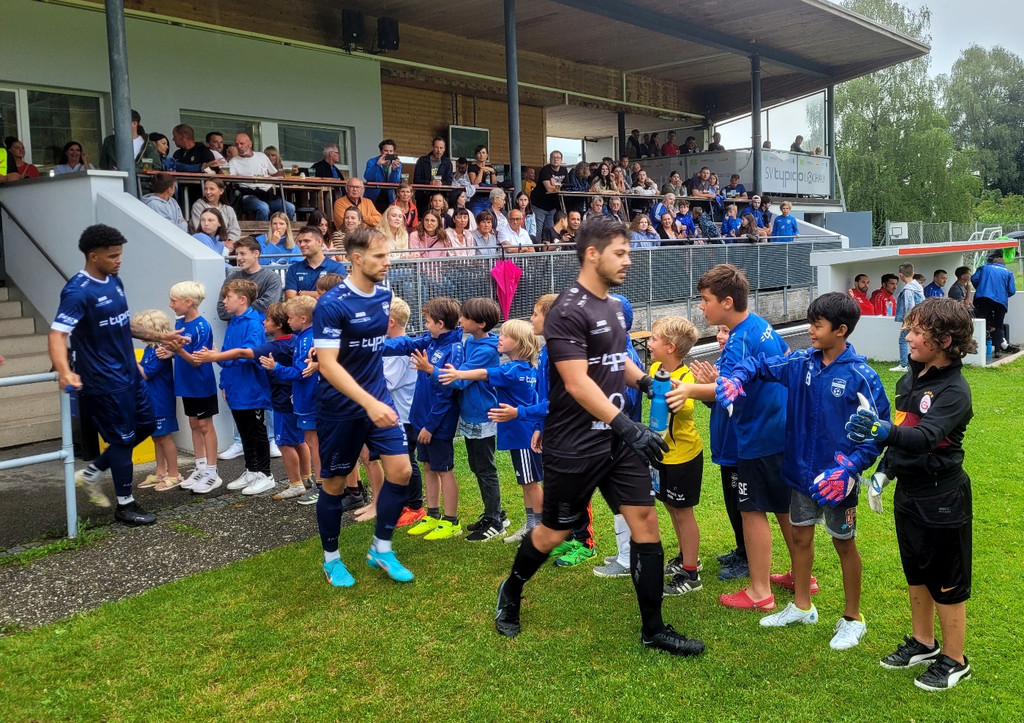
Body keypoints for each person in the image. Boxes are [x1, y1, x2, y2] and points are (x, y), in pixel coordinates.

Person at [493, 215, 703, 657]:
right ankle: (511, 589)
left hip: (615, 441)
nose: (628, 260)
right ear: (592, 254)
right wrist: (629, 425)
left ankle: (653, 629)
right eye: (620, 253)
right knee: (553, 531)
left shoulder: (611, 304)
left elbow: (614, 360)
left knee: (644, 522)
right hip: (575, 444)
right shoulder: (567, 311)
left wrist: (644, 383)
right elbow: (576, 382)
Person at [717, 292, 889, 649]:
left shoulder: (861, 376)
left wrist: (851, 470)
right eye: (810, 322)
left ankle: (852, 618)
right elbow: (761, 365)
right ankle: (801, 605)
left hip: (836, 483)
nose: (810, 330)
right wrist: (736, 377)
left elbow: (878, 432)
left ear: (841, 330)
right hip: (799, 476)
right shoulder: (800, 363)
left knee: (844, 544)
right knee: (799, 537)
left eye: (817, 325)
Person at [846, 298, 977, 691]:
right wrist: (884, 471)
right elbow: (903, 436)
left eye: (918, 331)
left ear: (944, 340)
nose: (908, 335)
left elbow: (923, 437)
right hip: (910, 493)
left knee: (947, 580)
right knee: (916, 571)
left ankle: (955, 659)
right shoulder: (910, 379)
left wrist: (880, 430)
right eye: (910, 328)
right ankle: (923, 642)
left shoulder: (955, 390)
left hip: (944, 496)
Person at [667, 263, 792, 611]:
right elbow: (782, 365)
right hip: (777, 430)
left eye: (704, 300)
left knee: (751, 511)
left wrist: (689, 388)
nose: (701, 307)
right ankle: (799, 574)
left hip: (757, 436)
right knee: (783, 509)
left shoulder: (739, 339)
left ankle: (759, 592)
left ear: (725, 302)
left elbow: (726, 391)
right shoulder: (761, 326)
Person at [49, 224, 184, 525]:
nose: (119, 260)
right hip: (104, 380)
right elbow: (57, 335)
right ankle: (125, 505)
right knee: (123, 439)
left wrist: (162, 337)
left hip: (129, 373)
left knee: (147, 425)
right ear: (93, 256)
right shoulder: (76, 292)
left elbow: (124, 324)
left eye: (120, 254)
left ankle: (94, 471)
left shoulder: (114, 281)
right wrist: (64, 371)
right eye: (113, 256)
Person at [312, 225, 417, 586]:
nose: (387, 262)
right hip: (341, 408)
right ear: (356, 259)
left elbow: (372, 348)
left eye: (387, 255)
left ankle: (381, 549)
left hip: (378, 400)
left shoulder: (385, 295)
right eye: (379, 256)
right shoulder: (331, 304)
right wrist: (368, 402)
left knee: (401, 471)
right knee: (335, 484)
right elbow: (328, 364)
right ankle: (331, 560)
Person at [442, 318, 542, 542]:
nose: (500, 337)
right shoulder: (522, 368)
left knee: (531, 484)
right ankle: (531, 525)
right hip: (522, 435)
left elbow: (484, 374)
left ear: (519, 344)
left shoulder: (512, 370)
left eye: (506, 335)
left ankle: (542, 529)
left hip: (523, 436)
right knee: (526, 482)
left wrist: (458, 374)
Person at [382, 297, 465, 540]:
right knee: (428, 466)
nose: (425, 325)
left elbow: (447, 395)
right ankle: (432, 514)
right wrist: (370, 345)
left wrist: (430, 425)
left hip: (438, 424)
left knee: (444, 469)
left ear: (440, 323)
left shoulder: (453, 349)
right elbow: (403, 345)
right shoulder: (430, 340)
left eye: (428, 321)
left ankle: (452, 520)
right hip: (421, 421)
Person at [644, 316, 705, 596]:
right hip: (661, 454)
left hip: (683, 456)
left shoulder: (686, 380)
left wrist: (672, 396)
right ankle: (685, 556)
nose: (649, 343)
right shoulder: (656, 368)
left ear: (670, 346)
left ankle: (691, 574)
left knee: (683, 512)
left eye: (654, 339)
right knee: (670, 506)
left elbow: (686, 408)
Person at [439, 298, 505, 539]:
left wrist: (431, 370)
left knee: (485, 468)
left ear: (481, 323)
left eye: (465, 317)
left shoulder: (487, 350)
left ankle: (495, 520)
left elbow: (460, 379)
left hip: (482, 416)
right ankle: (494, 512)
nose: (460, 320)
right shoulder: (469, 341)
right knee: (477, 466)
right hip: (469, 413)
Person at [213, 280, 276, 495]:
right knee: (244, 431)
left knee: (257, 431)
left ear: (242, 299)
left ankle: (266, 474)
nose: (224, 301)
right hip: (235, 386)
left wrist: (220, 358)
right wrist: (224, 383)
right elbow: (225, 354)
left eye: (228, 297)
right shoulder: (234, 322)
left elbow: (249, 354)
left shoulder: (253, 323)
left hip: (251, 388)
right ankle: (251, 469)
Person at [162, 281, 221, 493]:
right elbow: (180, 349)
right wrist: (170, 351)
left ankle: (212, 473)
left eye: (174, 301)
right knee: (194, 424)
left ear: (189, 302)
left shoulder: (202, 326)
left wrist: (177, 351)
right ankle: (200, 467)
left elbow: (198, 360)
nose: (170, 304)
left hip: (201, 384)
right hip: (186, 384)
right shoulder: (180, 322)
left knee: (206, 426)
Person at [382, 296, 426, 527]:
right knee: (401, 459)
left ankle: (415, 506)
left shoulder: (399, 351)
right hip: (400, 414)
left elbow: (387, 382)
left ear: (391, 321)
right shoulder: (399, 346)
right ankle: (405, 502)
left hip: (405, 416)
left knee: (408, 461)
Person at [134, 309, 180, 491]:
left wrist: (129, 358)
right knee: (156, 436)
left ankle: (174, 473)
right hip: (152, 400)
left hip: (161, 400)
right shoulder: (150, 349)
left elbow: (145, 374)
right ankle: (161, 471)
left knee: (164, 437)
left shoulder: (159, 350)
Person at [216, 236, 283, 324]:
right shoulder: (231, 278)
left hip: (263, 334)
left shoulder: (272, 278)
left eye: (242, 253)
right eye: (237, 254)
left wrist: (235, 308)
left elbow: (268, 305)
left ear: (256, 254)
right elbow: (221, 311)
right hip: (236, 333)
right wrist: (251, 309)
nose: (238, 258)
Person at [228, 133, 295, 220]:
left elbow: (274, 173)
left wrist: (288, 172)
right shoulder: (233, 161)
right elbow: (229, 178)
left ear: (250, 144)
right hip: (248, 195)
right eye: (237, 144)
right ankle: (261, 233)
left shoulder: (262, 156)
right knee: (263, 207)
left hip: (267, 194)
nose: (239, 147)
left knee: (290, 208)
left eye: (242, 143)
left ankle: (280, 231)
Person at [971, 251, 1016, 357]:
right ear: (1003, 265)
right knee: (998, 325)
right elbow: (1012, 290)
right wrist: (1003, 295)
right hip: (1000, 302)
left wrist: (981, 288)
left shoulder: (984, 268)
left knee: (980, 322)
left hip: (983, 298)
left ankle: (977, 348)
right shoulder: (1008, 272)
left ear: (993, 263)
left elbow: (974, 278)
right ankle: (997, 351)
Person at [285, 226, 347, 300]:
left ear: (319, 242)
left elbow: (335, 296)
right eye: (300, 241)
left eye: (307, 241)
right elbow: (290, 298)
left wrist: (301, 293)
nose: (301, 245)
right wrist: (319, 294)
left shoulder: (337, 267)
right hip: (301, 311)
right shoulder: (293, 269)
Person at [892, 262, 924, 372]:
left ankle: (903, 364)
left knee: (903, 340)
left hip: (911, 319)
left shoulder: (908, 289)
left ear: (901, 275)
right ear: (913, 273)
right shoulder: (918, 286)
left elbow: (909, 307)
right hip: (921, 318)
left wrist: (907, 322)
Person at [190, 177, 241, 242]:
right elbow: (200, 228)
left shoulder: (228, 209)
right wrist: (221, 243)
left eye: (212, 189)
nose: (208, 192)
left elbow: (235, 229)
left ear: (221, 191)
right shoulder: (198, 206)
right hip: (205, 243)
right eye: (206, 189)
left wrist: (230, 241)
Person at [413, 136, 454, 214]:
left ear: (444, 149)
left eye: (441, 148)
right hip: (423, 198)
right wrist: (430, 183)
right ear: (432, 147)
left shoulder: (447, 162)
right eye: (436, 147)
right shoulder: (422, 160)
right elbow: (416, 180)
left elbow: (449, 181)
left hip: (440, 199)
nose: (439, 150)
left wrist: (441, 183)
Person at [363, 138, 403, 207]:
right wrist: (377, 165)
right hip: (373, 196)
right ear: (381, 152)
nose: (388, 153)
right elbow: (368, 177)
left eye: (391, 151)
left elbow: (396, 182)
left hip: (389, 197)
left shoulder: (397, 163)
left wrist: (394, 170)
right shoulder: (372, 162)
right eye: (386, 151)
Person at [467, 145, 498, 215]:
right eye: (479, 153)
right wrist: (481, 170)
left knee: (490, 220)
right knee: (477, 219)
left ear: (487, 155)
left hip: (489, 198)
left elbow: (494, 184)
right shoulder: (472, 167)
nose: (481, 155)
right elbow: (475, 183)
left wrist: (492, 172)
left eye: (483, 153)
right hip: (477, 198)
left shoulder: (490, 168)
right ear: (476, 155)